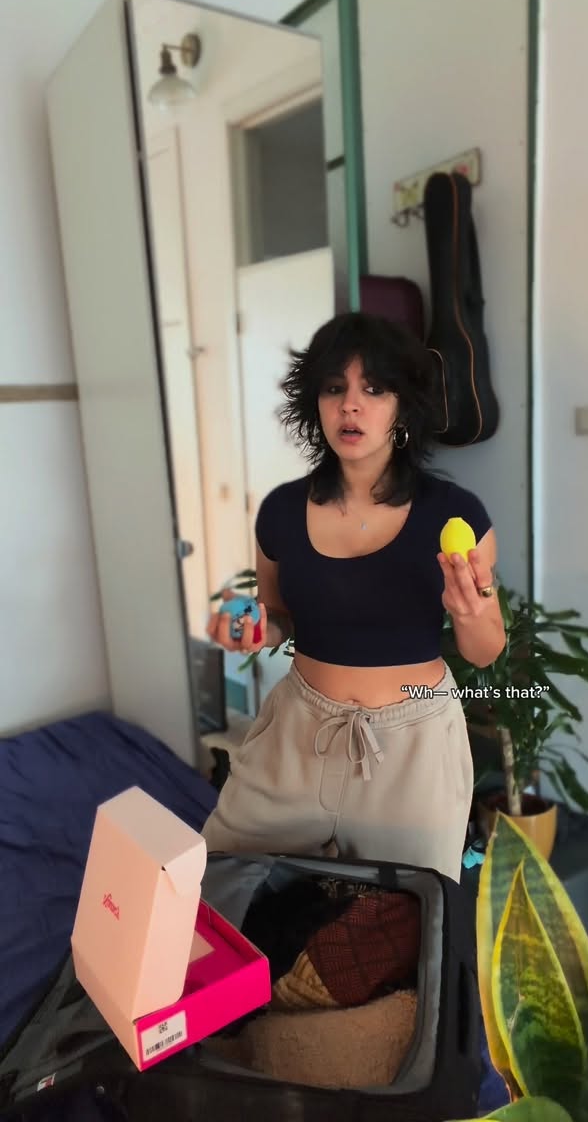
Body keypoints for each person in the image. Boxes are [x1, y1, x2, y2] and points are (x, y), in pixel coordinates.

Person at [202, 312, 505, 881]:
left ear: (402, 407)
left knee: (408, 916)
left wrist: (473, 611)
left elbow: (486, 651)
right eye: (334, 388)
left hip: (414, 748)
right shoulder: (281, 512)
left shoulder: (455, 514)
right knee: (217, 880)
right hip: (297, 734)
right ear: (314, 403)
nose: (350, 406)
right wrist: (251, 625)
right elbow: (280, 617)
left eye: (375, 389)